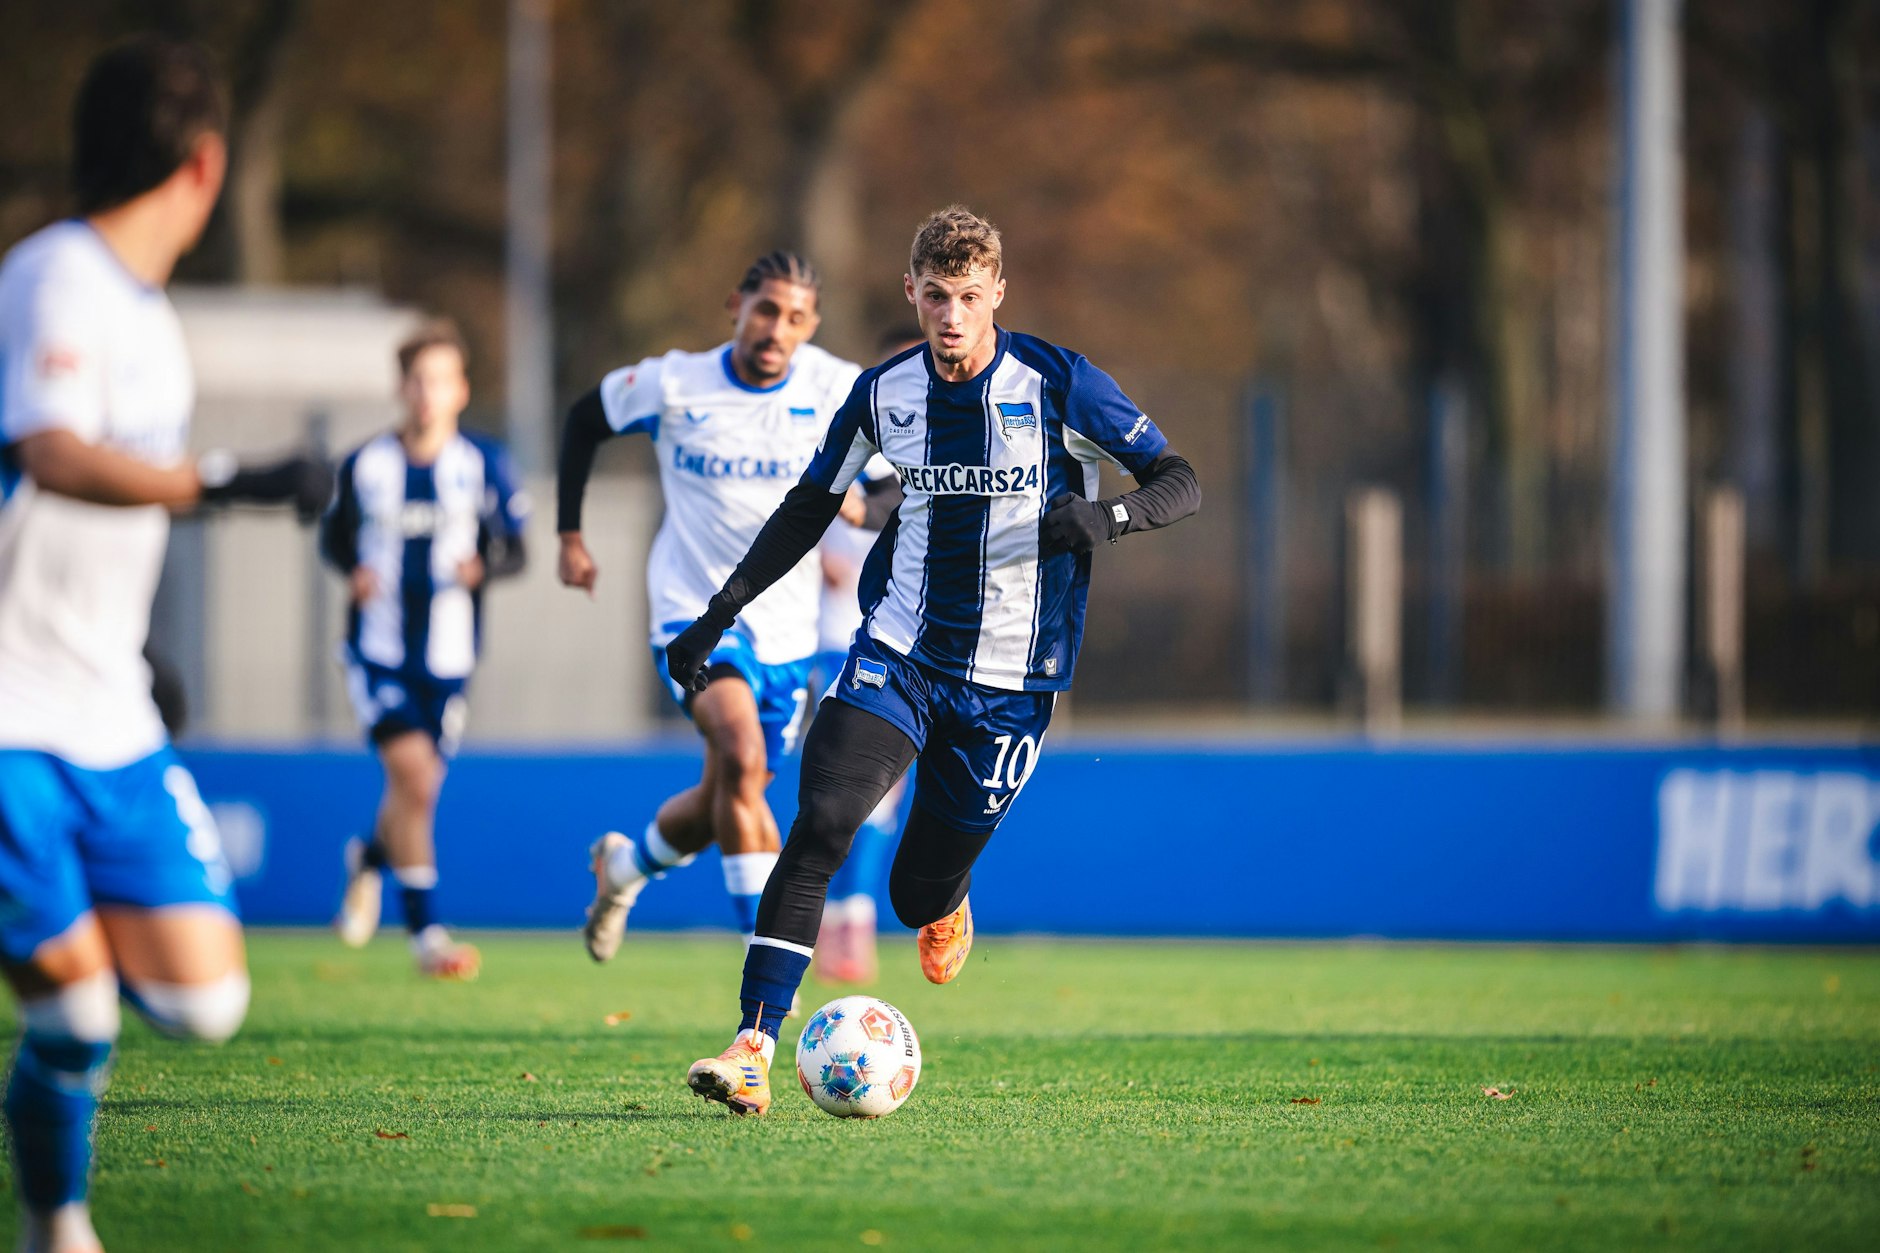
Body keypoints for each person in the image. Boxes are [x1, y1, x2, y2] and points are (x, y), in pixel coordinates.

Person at [675, 206, 1201, 1115]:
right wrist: (718, 611)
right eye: (935, 295)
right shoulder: (884, 394)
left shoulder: (1057, 382)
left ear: (997, 292)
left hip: (1013, 683)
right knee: (824, 821)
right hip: (900, 652)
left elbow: (1180, 479)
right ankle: (753, 1042)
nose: (951, 315)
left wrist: (1109, 518)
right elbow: (810, 506)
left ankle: (948, 896)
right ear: (908, 293)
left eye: (968, 296)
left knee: (916, 892)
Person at [0, 37, 332, 1252]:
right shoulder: (57, 276)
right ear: (205, 163)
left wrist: (126, 646)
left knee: (205, 999)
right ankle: (57, 1222)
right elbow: (50, 450)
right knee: (78, 1014)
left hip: (105, 705)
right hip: (11, 718)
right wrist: (228, 480)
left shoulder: (144, 316)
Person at [558, 252, 888, 960]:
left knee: (724, 798)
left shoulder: (837, 387)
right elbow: (584, 420)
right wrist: (570, 534)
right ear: (735, 305)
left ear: (813, 324)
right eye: (766, 309)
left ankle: (621, 869)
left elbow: (897, 477)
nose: (777, 328)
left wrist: (868, 504)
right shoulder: (675, 382)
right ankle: (765, 969)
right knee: (740, 758)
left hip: (789, 634)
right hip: (693, 614)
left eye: (795, 317)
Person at [324, 319, 529, 981]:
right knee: (415, 780)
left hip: (449, 659)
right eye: (416, 379)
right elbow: (334, 539)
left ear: (461, 389)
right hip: (378, 652)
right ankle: (427, 938)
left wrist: (483, 570)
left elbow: (517, 550)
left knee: (417, 789)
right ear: (401, 387)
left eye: (439, 380)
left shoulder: (482, 464)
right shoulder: (366, 464)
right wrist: (351, 571)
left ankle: (368, 860)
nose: (426, 393)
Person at [809, 328, 922, 986]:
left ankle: (851, 920)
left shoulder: (946, 452)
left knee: (882, 793)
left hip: (903, 638)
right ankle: (836, 920)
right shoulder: (847, 437)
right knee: (846, 788)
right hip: (832, 634)